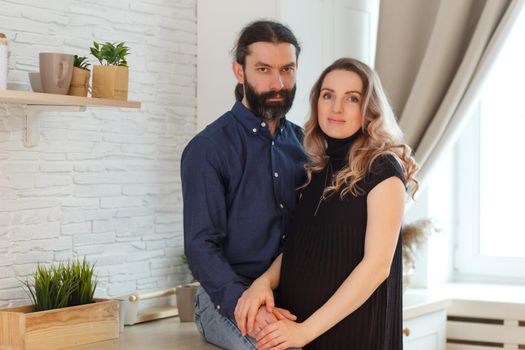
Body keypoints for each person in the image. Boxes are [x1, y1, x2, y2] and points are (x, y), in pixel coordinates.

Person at [234, 57, 419, 350]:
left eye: (352, 99)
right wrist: (263, 282)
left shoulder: (382, 169)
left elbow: (377, 267)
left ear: (369, 110)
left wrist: (304, 332)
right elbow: (300, 247)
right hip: (301, 332)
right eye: (328, 95)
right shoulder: (317, 169)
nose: (336, 108)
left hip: (350, 335)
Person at [181, 20, 306, 350]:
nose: (278, 82)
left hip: (291, 294)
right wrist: (247, 303)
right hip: (227, 298)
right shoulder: (208, 149)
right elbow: (200, 246)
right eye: (263, 69)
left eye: (287, 69)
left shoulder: (308, 145)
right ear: (239, 71)